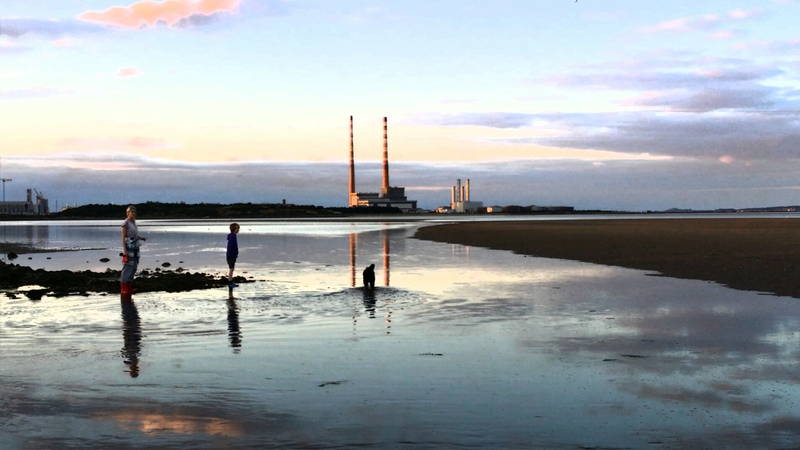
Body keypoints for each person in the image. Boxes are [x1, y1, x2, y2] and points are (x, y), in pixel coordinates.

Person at [120, 205, 146, 295]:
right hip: (129, 246)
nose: (133, 213)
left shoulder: (133, 222)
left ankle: (129, 286)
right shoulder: (125, 223)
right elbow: (123, 237)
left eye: (134, 212)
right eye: (132, 212)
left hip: (135, 246)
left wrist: (140, 238)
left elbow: (134, 234)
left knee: (134, 266)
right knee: (128, 266)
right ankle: (124, 287)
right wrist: (124, 250)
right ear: (128, 213)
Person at [227, 223, 240, 288]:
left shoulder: (233, 236)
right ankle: (230, 282)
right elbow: (230, 246)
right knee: (231, 269)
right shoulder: (232, 236)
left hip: (233, 255)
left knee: (232, 268)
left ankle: (230, 281)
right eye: (237, 228)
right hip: (231, 255)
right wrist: (229, 255)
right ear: (234, 229)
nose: (238, 230)